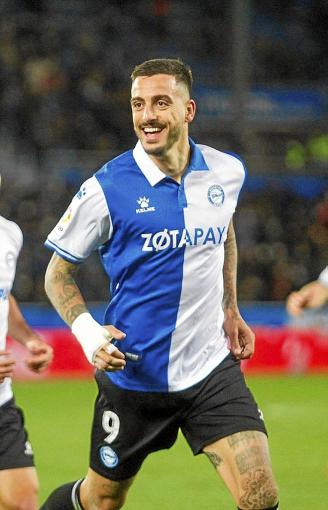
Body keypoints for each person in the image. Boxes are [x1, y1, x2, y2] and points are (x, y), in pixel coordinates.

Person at [41, 58, 279, 510]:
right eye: (138, 104)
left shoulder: (226, 172)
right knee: (101, 500)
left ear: (189, 110)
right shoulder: (105, 189)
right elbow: (56, 273)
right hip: (134, 375)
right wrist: (88, 334)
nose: (147, 115)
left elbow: (223, 232)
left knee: (261, 495)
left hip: (211, 370)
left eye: (160, 103)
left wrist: (231, 308)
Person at [0, 176, 53, 510]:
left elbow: (4, 297)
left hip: (0, 401)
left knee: (22, 499)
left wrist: (29, 339)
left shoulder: (9, 234)